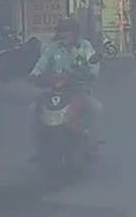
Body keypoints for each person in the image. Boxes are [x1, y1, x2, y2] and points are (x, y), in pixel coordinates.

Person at [29, 18, 102, 154]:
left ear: (74, 33)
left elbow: (93, 62)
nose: (64, 34)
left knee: (96, 108)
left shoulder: (84, 46)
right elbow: (41, 63)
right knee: (33, 109)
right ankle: (39, 147)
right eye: (61, 31)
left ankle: (90, 142)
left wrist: (92, 73)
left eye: (67, 31)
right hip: (56, 91)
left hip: (78, 89)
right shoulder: (53, 47)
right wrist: (34, 74)